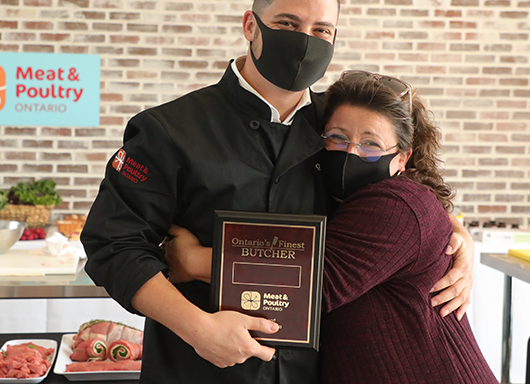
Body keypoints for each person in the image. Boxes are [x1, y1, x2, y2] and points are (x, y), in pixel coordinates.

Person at [81, 0, 474, 384]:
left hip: (315, 370)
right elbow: (112, 245)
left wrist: (459, 238)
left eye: (322, 30)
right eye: (288, 23)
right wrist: (196, 328)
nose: (305, 42)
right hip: (196, 365)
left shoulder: (340, 127)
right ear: (251, 25)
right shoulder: (168, 129)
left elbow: (398, 198)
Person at [165, 71, 497, 383]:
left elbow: (314, 285)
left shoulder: (397, 202)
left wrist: (193, 262)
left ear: (401, 158)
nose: (351, 152)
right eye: (337, 137)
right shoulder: (339, 198)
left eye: (370, 144)